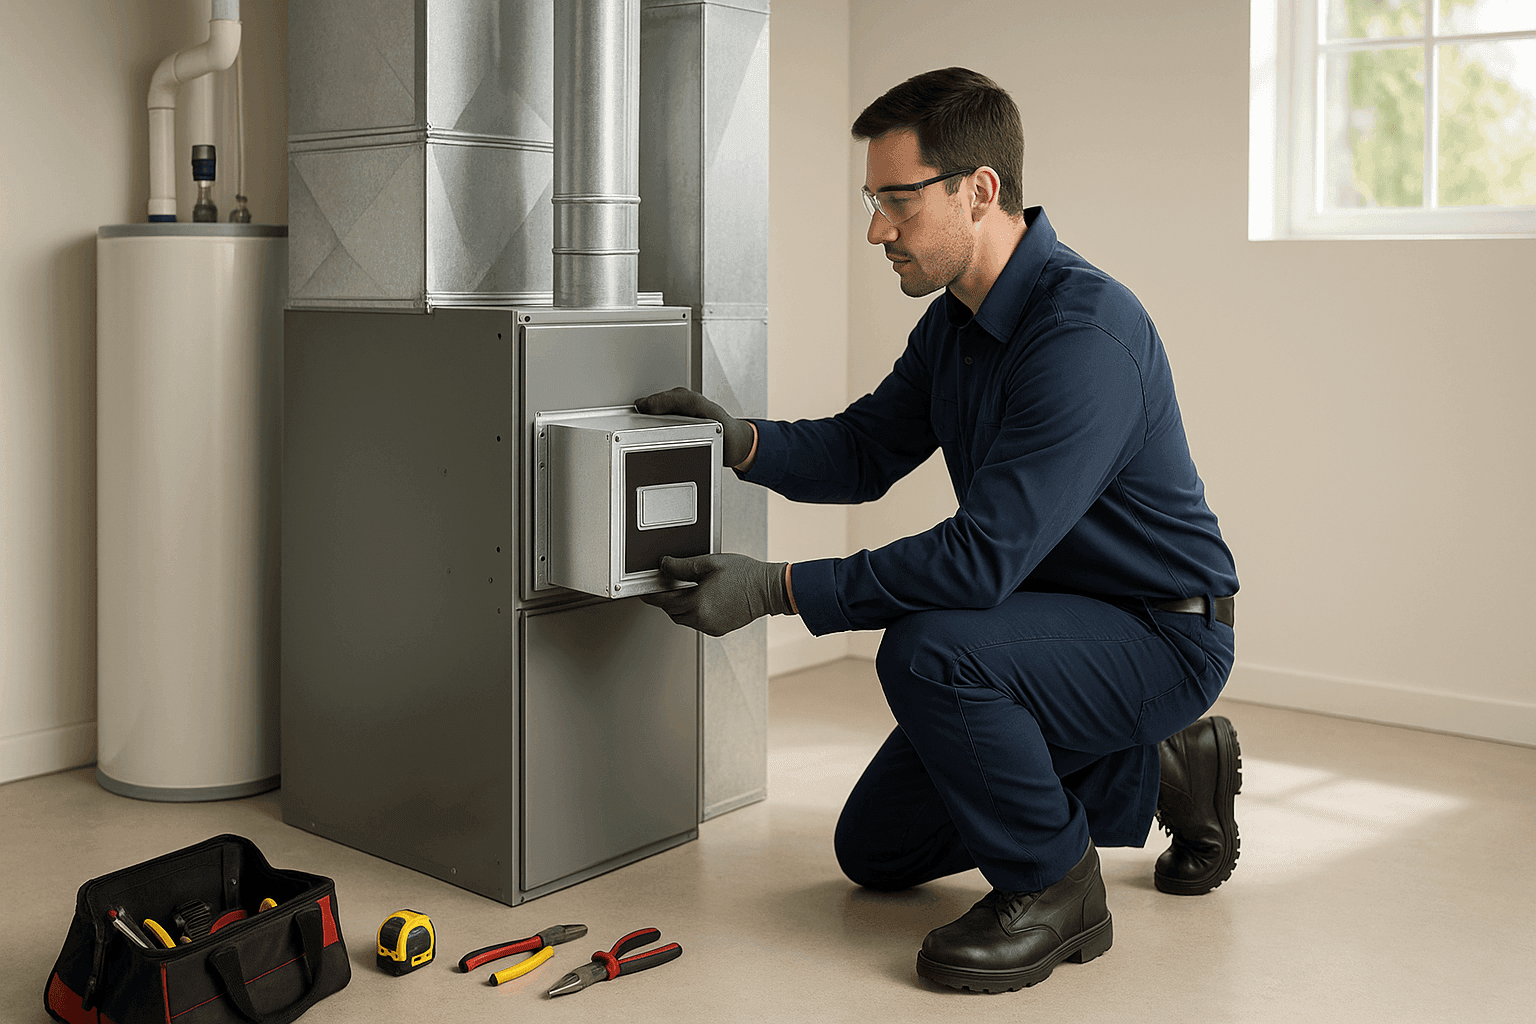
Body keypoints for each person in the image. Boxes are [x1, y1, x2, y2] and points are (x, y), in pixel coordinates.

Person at [637, 67, 1241, 994]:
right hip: (1048, 623)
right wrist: (737, 441)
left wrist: (774, 589)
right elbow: (865, 448)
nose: (877, 228)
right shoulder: (956, 324)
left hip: (1160, 631)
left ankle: (1056, 886)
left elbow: (980, 559)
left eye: (896, 200)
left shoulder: (1085, 334)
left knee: (930, 652)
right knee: (876, 850)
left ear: (980, 189)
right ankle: (1159, 764)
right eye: (872, 200)